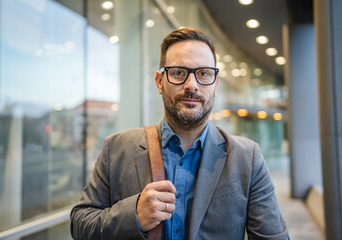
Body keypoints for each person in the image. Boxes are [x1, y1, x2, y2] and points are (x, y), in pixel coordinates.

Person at [70, 28, 289, 240]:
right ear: (159, 82)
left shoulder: (247, 158)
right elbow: (80, 224)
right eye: (178, 73)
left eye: (203, 73)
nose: (191, 85)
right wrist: (133, 215)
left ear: (215, 84)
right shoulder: (116, 148)